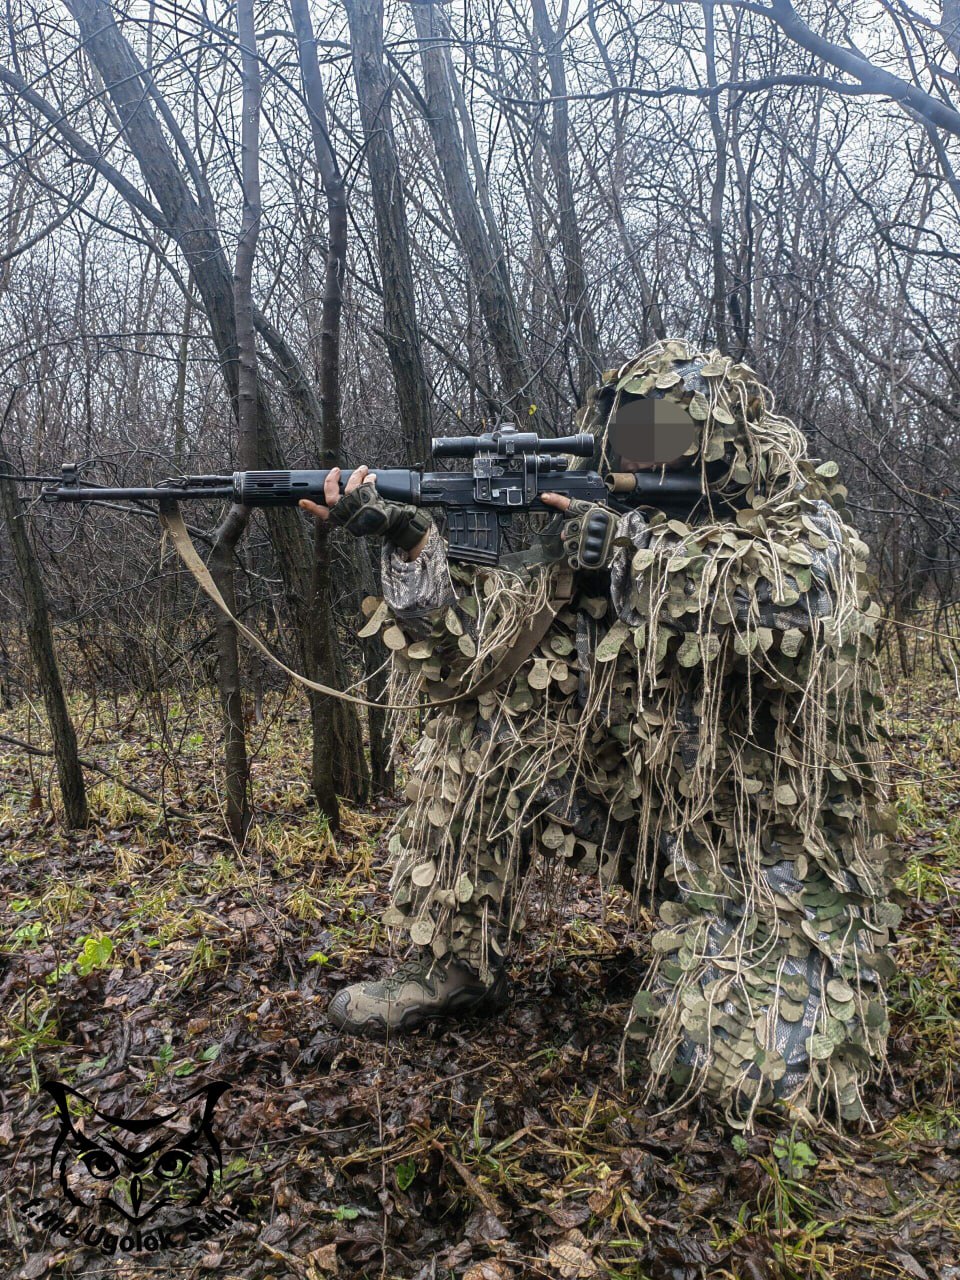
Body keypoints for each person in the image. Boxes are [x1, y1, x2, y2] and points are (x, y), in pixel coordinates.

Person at [300, 339, 900, 1125]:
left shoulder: (805, 532)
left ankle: (763, 953)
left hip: (766, 854)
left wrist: (627, 552)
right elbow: (469, 663)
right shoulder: (606, 526)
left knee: (747, 1084)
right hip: (648, 814)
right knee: (484, 732)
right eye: (631, 445)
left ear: (725, 443)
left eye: (665, 443)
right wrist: (412, 545)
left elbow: (790, 614)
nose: (643, 468)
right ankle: (454, 963)